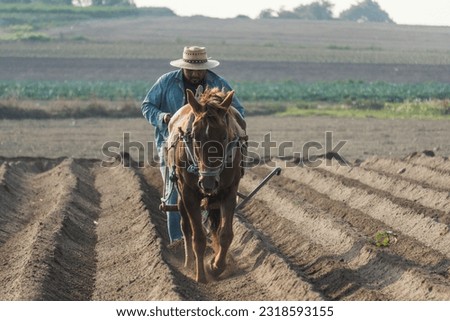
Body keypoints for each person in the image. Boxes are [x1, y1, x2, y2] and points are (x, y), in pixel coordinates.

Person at [141, 46, 245, 243]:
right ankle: (179, 242)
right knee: (174, 192)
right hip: (173, 146)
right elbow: (147, 105)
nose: (196, 74)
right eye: (191, 70)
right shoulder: (166, 82)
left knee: (218, 188)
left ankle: (206, 236)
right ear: (183, 67)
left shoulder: (218, 83)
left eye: (200, 70)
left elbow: (237, 109)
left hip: (208, 148)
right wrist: (162, 117)